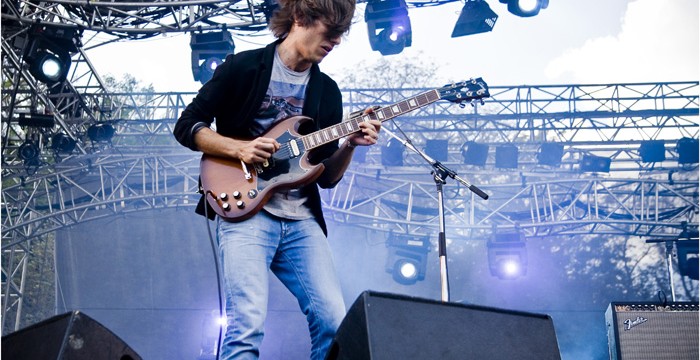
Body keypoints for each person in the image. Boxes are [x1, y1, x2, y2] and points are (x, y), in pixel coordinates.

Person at [173, 0, 381, 358]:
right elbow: (187, 126)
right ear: (301, 17)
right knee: (246, 327)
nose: (335, 41)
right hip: (244, 212)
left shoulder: (327, 92)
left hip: (302, 222)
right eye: (330, 31)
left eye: (340, 35)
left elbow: (326, 177)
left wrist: (350, 144)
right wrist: (238, 149)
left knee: (334, 324)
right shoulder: (243, 67)